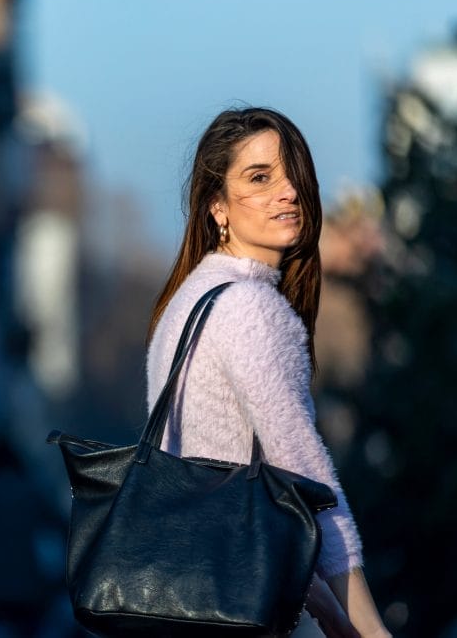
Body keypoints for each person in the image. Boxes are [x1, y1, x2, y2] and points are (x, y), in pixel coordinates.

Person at [144, 107, 392, 638]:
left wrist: (320, 600)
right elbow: (307, 477)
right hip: (243, 609)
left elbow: (216, 483)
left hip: (196, 595)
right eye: (259, 178)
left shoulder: (184, 305)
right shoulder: (250, 308)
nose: (288, 192)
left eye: (293, 174)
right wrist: (369, 629)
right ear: (218, 207)